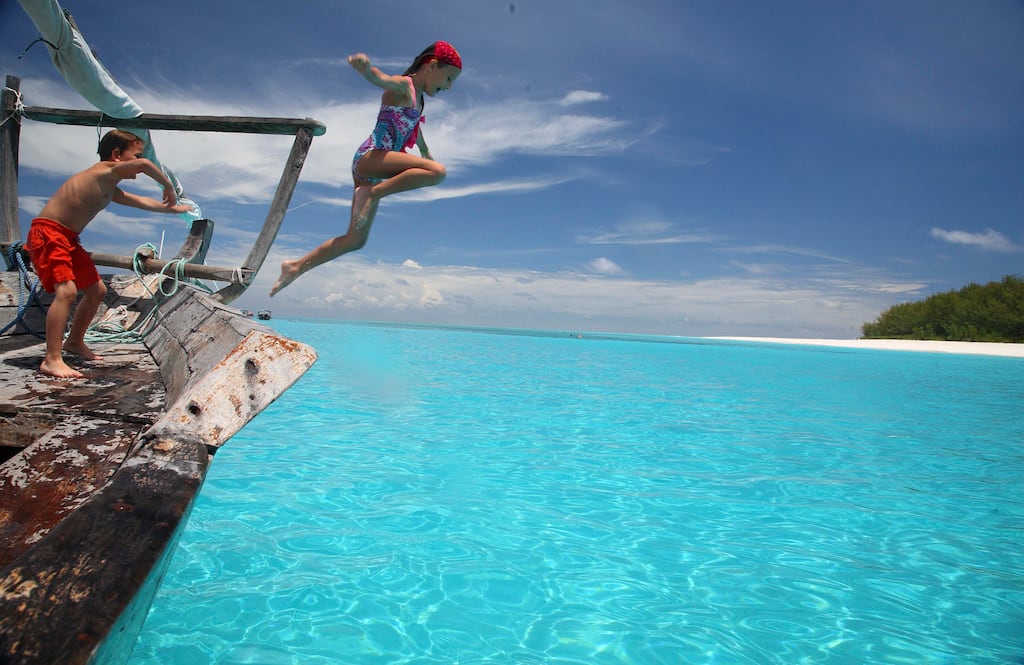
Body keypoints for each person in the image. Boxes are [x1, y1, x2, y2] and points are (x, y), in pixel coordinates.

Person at [270, 41, 462, 296]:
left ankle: (295, 267)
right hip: (370, 157)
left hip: (374, 170)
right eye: (448, 78)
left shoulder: (419, 100)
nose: (448, 87)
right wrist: (367, 71)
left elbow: (414, 124)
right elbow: (383, 80)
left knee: (355, 241)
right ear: (432, 65)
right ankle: (373, 194)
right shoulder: (404, 85)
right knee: (437, 172)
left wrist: (424, 150)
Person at [25, 129, 193, 379]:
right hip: (49, 233)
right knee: (67, 292)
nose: (138, 163)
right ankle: (52, 360)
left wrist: (174, 209)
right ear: (116, 155)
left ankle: (74, 341)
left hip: (69, 239)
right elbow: (146, 165)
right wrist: (168, 186)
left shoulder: (109, 187)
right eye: (135, 155)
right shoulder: (103, 171)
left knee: (97, 291)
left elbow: (141, 201)